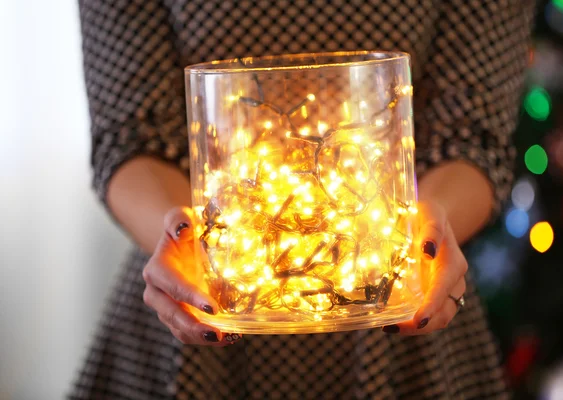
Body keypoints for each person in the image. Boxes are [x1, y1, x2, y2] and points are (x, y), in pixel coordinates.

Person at [70, 1, 535, 398]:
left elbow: (475, 137)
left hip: (396, 303)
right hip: (197, 305)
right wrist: (187, 247)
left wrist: (426, 233)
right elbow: (128, 136)